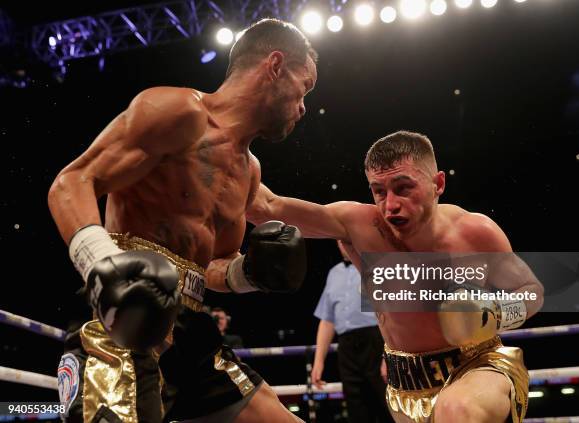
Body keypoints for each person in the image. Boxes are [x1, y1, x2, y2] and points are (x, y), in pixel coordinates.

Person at [48, 18, 317, 423]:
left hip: (190, 328)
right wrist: (104, 267)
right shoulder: (178, 111)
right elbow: (71, 183)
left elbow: (210, 267)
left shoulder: (250, 171)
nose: (304, 105)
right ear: (275, 65)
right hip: (125, 315)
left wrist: (249, 273)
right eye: (305, 86)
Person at [247, 130, 544, 423]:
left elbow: (531, 290)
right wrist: (224, 143)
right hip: (406, 385)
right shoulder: (359, 226)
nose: (390, 205)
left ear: (438, 183)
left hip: (478, 366)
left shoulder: (474, 232)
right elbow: (265, 207)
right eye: (379, 191)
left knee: (457, 410)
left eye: (403, 188)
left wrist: (495, 314)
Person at [312, 240, 392, 423]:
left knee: (387, 407)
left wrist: (389, 355)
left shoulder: (376, 267)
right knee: (357, 410)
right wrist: (318, 361)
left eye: (348, 240)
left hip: (377, 342)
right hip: (346, 347)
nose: (344, 245)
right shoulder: (334, 273)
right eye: (340, 241)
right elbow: (327, 320)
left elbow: (392, 314)